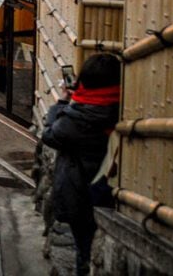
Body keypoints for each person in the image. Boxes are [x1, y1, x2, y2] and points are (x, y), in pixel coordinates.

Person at [41, 53, 121, 276]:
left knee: (83, 248)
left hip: (79, 192)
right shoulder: (123, 109)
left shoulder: (78, 117)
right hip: (111, 190)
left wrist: (64, 101)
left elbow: (49, 134)